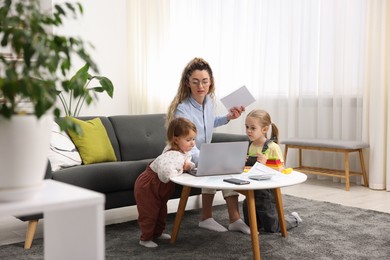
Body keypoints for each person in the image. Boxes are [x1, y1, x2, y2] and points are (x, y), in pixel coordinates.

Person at [166, 57, 250, 234]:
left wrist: (227, 117)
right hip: (186, 155)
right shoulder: (183, 109)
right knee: (217, 167)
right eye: (195, 82)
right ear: (188, 83)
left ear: (211, 82)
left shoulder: (209, 102)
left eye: (205, 81)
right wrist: (208, 159)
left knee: (224, 167)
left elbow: (208, 122)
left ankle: (233, 220)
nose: (200, 86)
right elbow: (187, 144)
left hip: (203, 154)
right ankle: (208, 218)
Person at [134, 117, 197, 248]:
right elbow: (166, 174)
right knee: (149, 213)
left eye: (193, 139)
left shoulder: (182, 151)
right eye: (188, 140)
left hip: (160, 186)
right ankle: (145, 238)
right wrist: (183, 168)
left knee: (161, 211)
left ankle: (157, 233)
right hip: (149, 186)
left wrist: (189, 166)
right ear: (176, 139)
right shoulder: (172, 154)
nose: (192, 143)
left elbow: (185, 162)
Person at [242, 109, 302, 233]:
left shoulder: (272, 147)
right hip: (251, 191)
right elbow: (247, 170)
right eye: (247, 127)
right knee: (252, 225)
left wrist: (265, 164)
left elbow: (281, 170)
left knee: (272, 228)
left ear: (264, 129)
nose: (248, 130)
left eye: (253, 128)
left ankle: (293, 218)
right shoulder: (250, 146)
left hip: (266, 193)